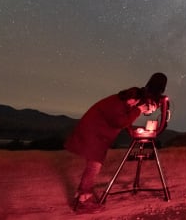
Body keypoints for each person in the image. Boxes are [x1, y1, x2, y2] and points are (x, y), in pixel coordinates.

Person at [65, 85, 157, 213]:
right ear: (132, 99)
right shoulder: (116, 105)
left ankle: (81, 197)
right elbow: (120, 122)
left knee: (94, 166)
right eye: (135, 102)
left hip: (95, 135)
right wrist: (139, 110)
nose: (134, 105)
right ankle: (83, 201)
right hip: (93, 135)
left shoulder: (118, 101)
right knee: (94, 166)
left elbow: (125, 118)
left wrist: (135, 123)